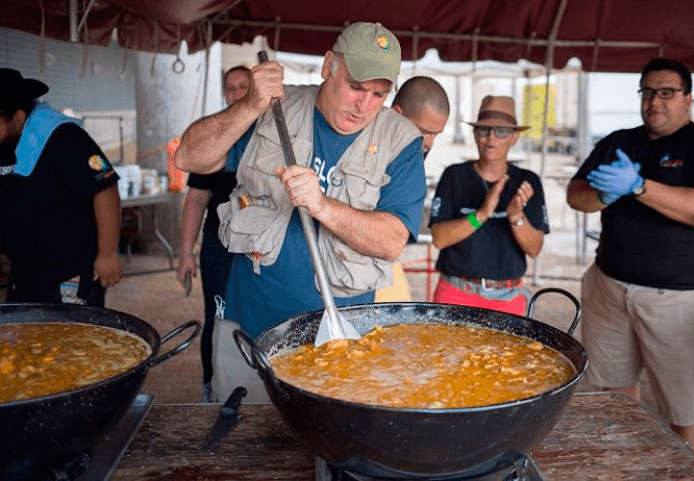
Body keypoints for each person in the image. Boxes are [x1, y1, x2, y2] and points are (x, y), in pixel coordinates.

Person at [174, 23, 426, 402]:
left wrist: (323, 205)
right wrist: (249, 105)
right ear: (328, 66)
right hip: (250, 330)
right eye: (356, 87)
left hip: (337, 343)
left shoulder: (401, 142)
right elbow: (189, 156)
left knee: (322, 452)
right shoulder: (273, 111)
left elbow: (392, 242)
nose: (364, 105)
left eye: (379, 93)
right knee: (243, 446)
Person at [566, 58, 694, 455]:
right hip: (610, 287)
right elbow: (577, 196)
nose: (654, 101)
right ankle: (625, 464)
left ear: (688, 98)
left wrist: (639, 186)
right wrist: (603, 195)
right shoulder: (619, 141)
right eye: (647, 92)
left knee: (685, 406)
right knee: (613, 391)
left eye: (666, 92)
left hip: (680, 299)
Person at [0, 68, 122, 306]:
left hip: (67, 275)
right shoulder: (5, 143)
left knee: (72, 341)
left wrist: (108, 253)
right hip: (24, 275)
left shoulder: (64, 138)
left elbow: (105, 188)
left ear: (18, 117)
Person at [428, 95, 549, 315]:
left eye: (501, 131)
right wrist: (481, 214)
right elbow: (439, 239)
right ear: (475, 135)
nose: (491, 137)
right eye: (483, 130)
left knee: (507, 352)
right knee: (447, 351)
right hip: (455, 291)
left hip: (507, 295)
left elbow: (534, 249)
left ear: (514, 137)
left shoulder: (527, 181)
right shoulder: (454, 175)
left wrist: (516, 217)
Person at [175, 65, 253, 403]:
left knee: (255, 316)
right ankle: (213, 387)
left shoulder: (269, 133)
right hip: (218, 246)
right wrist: (185, 253)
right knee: (218, 318)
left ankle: (257, 385)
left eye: (243, 87)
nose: (235, 93)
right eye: (230, 87)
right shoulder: (213, 136)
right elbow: (195, 199)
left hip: (259, 248)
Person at [375, 76, 450, 302]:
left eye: (436, 134)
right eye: (423, 131)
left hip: (387, 269)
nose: (429, 143)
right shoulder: (362, 145)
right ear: (397, 114)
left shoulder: (412, 157)